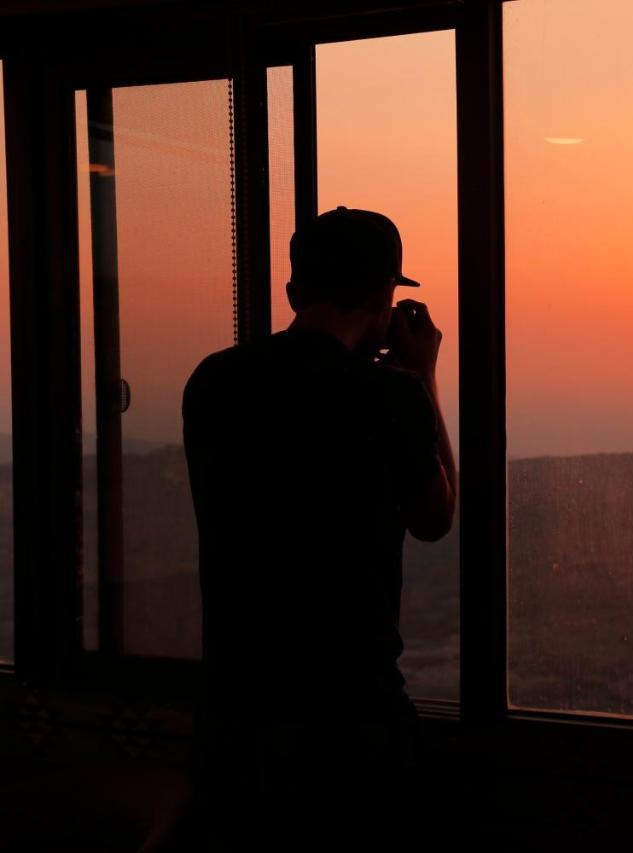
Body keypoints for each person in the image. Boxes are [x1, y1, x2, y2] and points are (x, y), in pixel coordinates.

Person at [181, 206, 457, 847]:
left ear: (293, 291)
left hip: (234, 710)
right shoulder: (389, 396)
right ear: (386, 298)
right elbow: (437, 519)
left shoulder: (213, 381)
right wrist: (423, 378)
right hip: (349, 713)